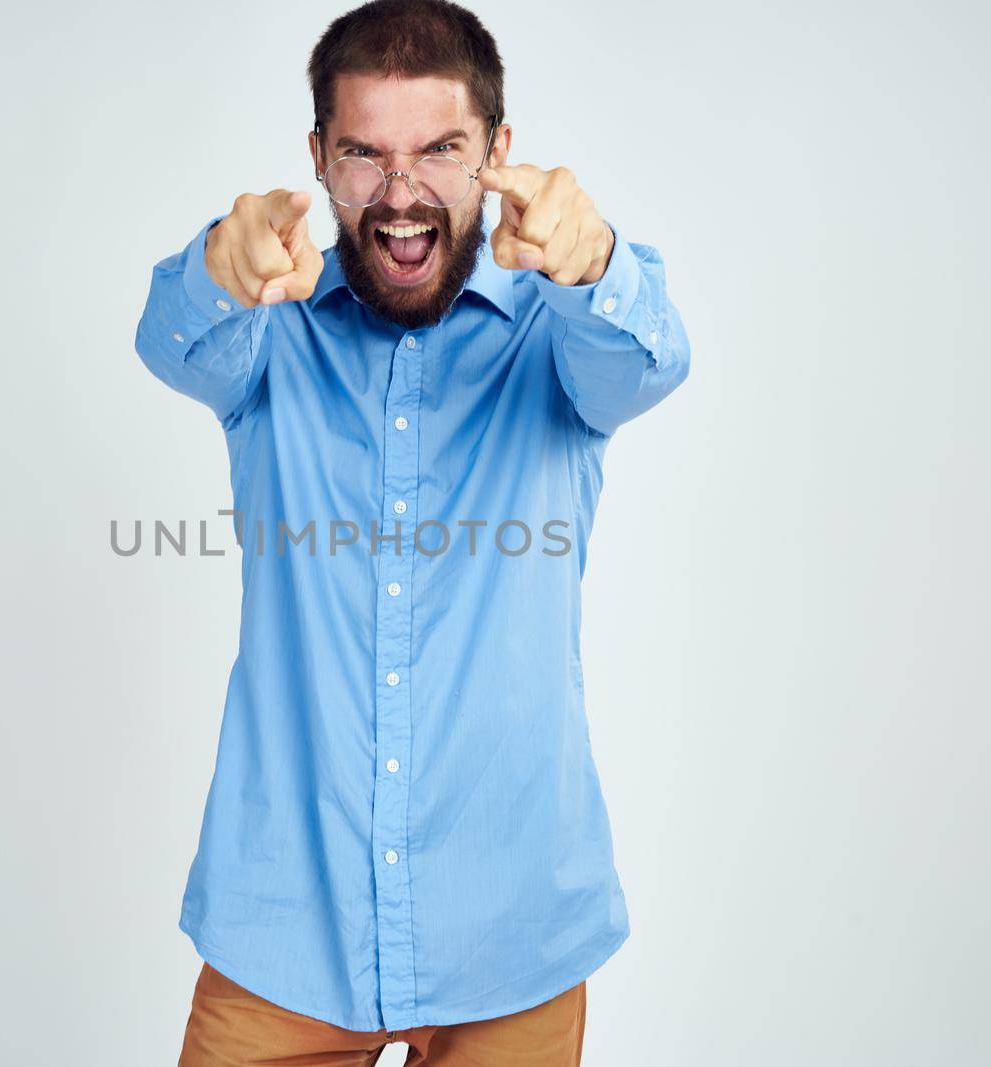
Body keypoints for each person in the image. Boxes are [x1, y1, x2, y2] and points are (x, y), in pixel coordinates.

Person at [133, 1, 691, 1062]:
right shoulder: (268, 322)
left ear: (498, 151)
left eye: (440, 149)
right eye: (363, 153)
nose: (400, 192)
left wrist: (595, 259)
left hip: (514, 929)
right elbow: (170, 344)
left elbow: (650, 362)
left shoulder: (561, 333)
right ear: (318, 159)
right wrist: (219, 259)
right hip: (286, 934)